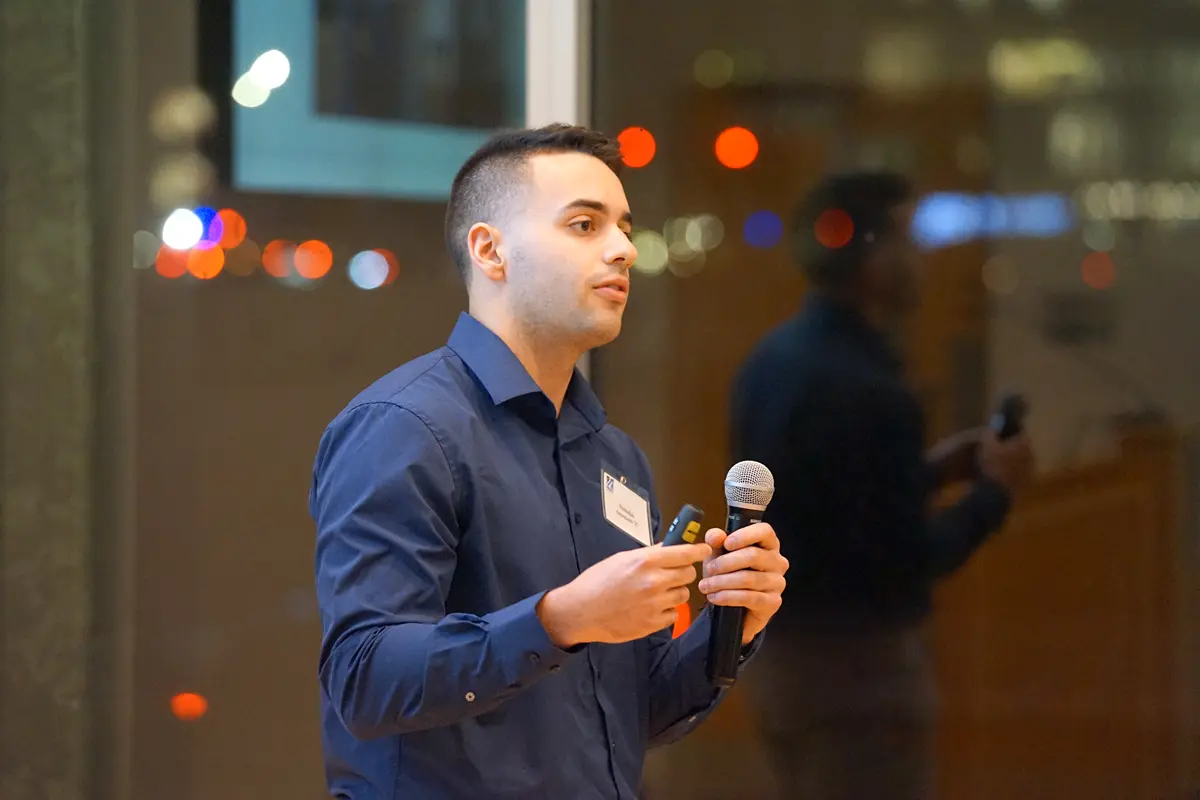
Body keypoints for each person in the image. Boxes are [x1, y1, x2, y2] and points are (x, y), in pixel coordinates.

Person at [310, 124, 789, 799]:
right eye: (585, 225)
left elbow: (628, 711)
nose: (623, 250)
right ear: (490, 251)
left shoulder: (613, 456)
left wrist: (731, 621)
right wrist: (561, 618)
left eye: (624, 227)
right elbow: (364, 678)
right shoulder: (406, 428)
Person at [729, 171, 1035, 800]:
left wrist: (927, 475)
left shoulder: (773, 360)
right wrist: (994, 496)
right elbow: (900, 562)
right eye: (908, 238)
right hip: (858, 672)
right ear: (872, 259)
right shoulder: (872, 390)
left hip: (779, 656)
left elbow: (824, 510)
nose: (922, 258)